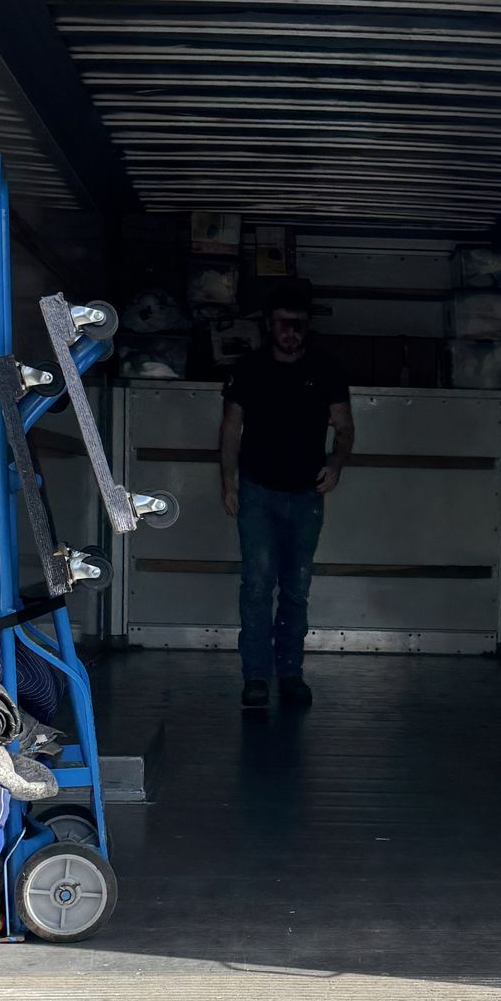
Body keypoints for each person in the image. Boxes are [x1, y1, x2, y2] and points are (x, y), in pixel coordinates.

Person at [218, 283, 353, 710]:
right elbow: (230, 428)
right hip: (258, 490)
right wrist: (228, 482)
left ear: (307, 327)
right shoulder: (249, 369)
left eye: (298, 325)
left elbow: (345, 427)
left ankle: (291, 674)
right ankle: (256, 676)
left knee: (295, 587)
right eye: (283, 324)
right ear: (269, 325)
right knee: (258, 585)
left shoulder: (326, 368)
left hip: (306, 493)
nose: (291, 333)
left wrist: (336, 463)